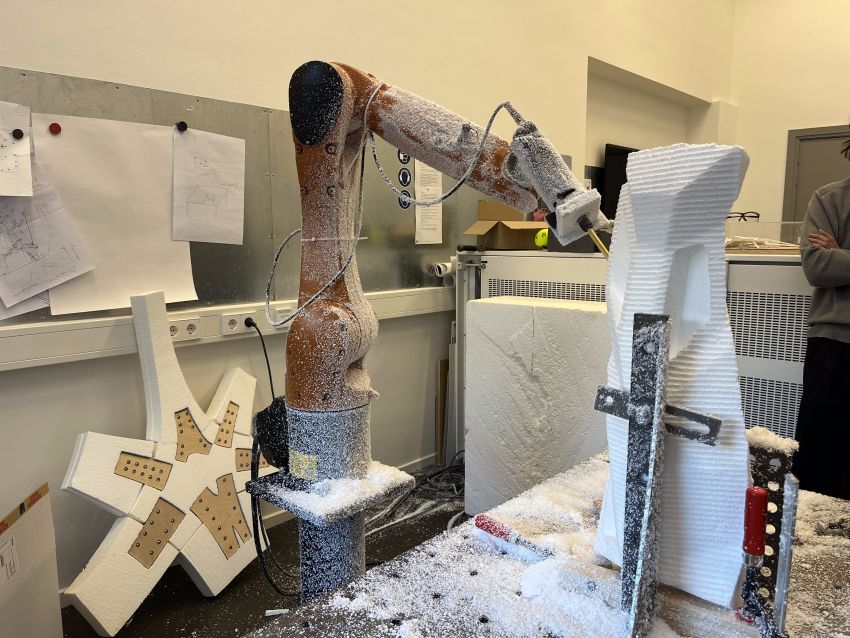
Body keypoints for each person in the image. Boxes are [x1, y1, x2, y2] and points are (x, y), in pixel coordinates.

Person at [793, 124, 850, 500]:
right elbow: (817, 267)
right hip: (834, 342)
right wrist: (831, 258)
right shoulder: (829, 199)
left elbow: (832, 264)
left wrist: (840, 254)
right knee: (819, 459)